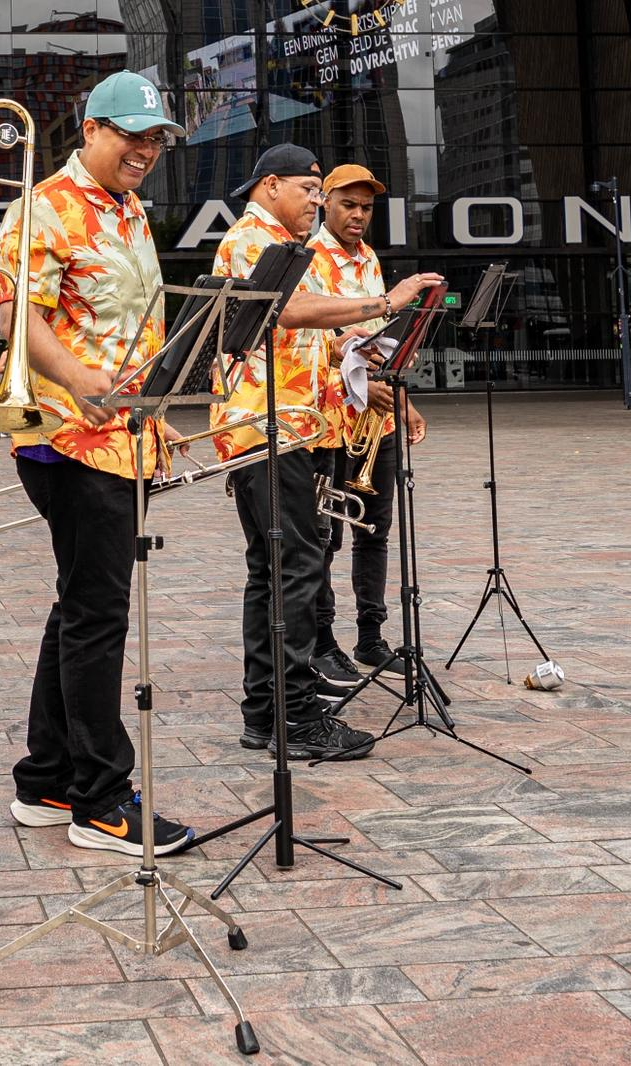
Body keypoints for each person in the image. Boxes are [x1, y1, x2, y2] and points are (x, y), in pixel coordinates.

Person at [0, 72, 195, 857]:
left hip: (123, 437)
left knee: (78, 606)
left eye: (156, 140)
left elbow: (138, 333)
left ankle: (47, 779)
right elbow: (18, 320)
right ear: (89, 129)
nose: (145, 150)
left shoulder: (131, 211)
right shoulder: (45, 206)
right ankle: (102, 801)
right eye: (131, 135)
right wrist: (82, 382)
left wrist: (159, 418)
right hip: (66, 438)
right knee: (98, 616)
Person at [211, 145, 441, 760]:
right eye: (309, 190)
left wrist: (373, 352)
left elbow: (313, 336)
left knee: (274, 569)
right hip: (269, 425)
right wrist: (387, 304)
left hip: (292, 423)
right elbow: (287, 314)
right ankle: (294, 714)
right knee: (296, 568)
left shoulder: (285, 244)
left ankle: (266, 711)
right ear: (269, 186)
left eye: (320, 192)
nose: (316, 201)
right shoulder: (253, 239)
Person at [310, 164, 439, 682]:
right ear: (325, 201)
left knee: (375, 531)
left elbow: (379, 339)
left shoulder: (369, 259)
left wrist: (400, 399)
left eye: (366, 207)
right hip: (325, 419)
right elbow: (318, 340)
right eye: (349, 205)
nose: (359, 215)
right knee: (322, 537)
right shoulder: (308, 259)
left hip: (373, 419)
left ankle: (370, 636)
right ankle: (320, 641)